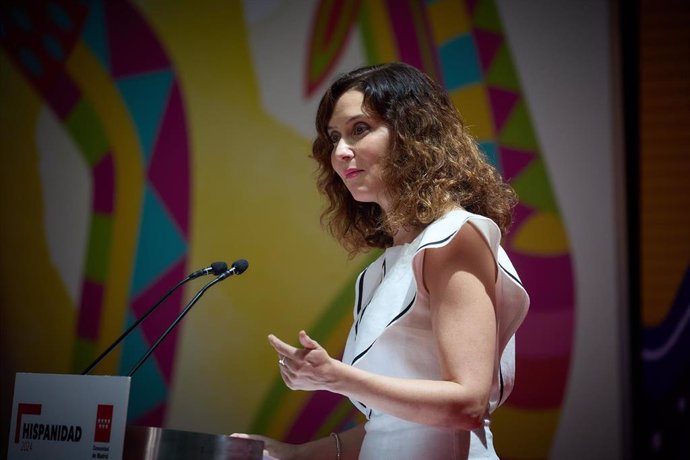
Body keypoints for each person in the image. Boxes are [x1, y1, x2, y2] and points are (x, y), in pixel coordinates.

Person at [234, 62, 530, 459]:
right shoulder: (382, 269)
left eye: (360, 129)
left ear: (413, 133)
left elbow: (467, 405)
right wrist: (294, 454)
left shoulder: (456, 236)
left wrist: (337, 378)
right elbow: (394, 430)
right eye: (334, 136)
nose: (340, 151)